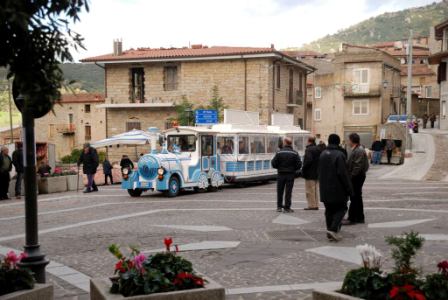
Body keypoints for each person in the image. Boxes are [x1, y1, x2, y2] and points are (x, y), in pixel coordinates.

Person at [318, 134, 353, 241]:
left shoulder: (323, 154)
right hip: (338, 189)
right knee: (342, 208)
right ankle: (333, 229)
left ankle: (330, 231)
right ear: (338, 142)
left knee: (329, 210)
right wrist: (349, 189)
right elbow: (343, 174)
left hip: (324, 188)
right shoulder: (339, 155)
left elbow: (318, 171)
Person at [343, 133, 369, 225]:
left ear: (352, 140)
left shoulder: (359, 150)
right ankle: (359, 217)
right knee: (357, 197)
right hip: (358, 176)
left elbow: (357, 166)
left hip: (357, 177)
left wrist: (351, 177)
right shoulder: (357, 149)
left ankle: (352, 218)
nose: (348, 141)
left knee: (354, 197)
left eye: (349, 139)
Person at [271, 137, 302, 213]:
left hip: (281, 174)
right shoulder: (294, 153)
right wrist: (293, 169)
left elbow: (273, 163)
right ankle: (287, 207)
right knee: (288, 191)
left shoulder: (279, 153)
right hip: (290, 174)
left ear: (285, 142)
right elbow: (299, 164)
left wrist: (279, 167)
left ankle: (279, 207)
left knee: (280, 191)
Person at [302, 136, 321, 210]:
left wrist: (304, 168)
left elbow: (308, 161)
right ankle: (316, 204)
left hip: (310, 173)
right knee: (315, 190)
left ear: (309, 141)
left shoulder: (309, 149)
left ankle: (312, 205)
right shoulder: (318, 149)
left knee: (310, 190)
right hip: (317, 172)